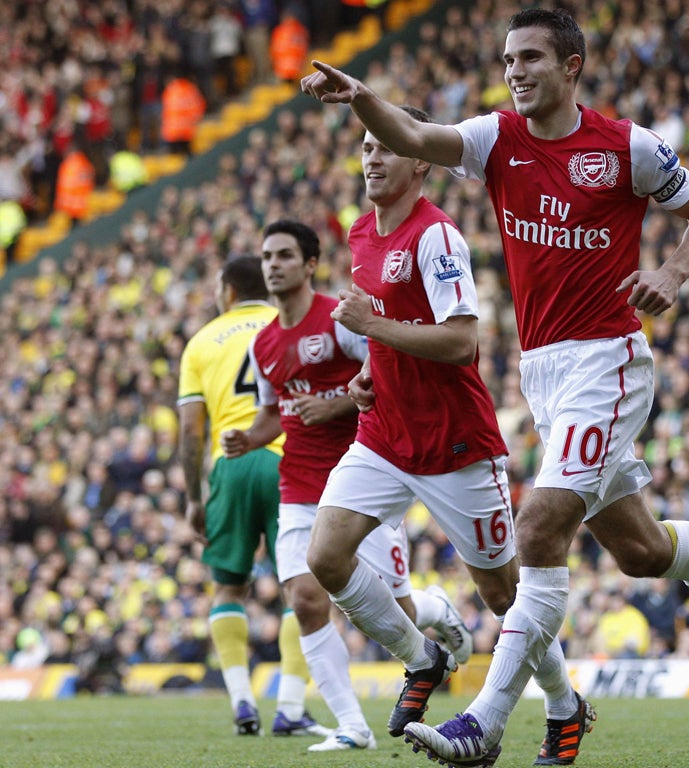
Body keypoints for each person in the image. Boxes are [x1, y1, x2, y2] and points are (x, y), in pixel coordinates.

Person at [301, 8, 689, 766]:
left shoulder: (626, 147)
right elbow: (418, 138)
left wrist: (671, 272)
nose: (514, 71)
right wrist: (361, 95)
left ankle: (486, 722)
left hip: (608, 362)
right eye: (506, 60)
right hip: (545, 372)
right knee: (642, 550)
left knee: (540, 529)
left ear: (571, 66)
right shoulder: (496, 139)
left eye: (529, 58)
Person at [301, 105, 586, 765]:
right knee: (326, 556)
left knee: (505, 594)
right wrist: (370, 372)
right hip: (383, 435)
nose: (372, 158)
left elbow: (461, 343)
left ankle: (565, 707)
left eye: (386, 148)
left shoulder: (438, 237)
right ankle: (423, 655)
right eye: (366, 147)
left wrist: (372, 334)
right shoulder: (361, 233)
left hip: (455, 446)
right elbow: (386, 322)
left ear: (420, 162)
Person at [220, 219, 474, 752]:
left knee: (397, 612)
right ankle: (352, 727)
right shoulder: (264, 343)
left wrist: (334, 404)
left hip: (361, 478)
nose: (273, 265)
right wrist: (249, 437)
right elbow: (277, 415)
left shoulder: (339, 319)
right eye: (267, 256)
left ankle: (432, 611)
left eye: (285, 255)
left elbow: (388, 372)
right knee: (307, 599)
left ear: (310, 264)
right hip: (296, 485)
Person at [177, 255, 328, 737]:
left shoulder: (201, 341)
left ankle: (243, 703)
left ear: (226, 290)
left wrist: (194, 496)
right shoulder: (285, 321)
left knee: (229, 587)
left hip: (232, 460)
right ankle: (289, 706)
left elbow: (188, 431)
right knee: (300, 588)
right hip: (290, 458)